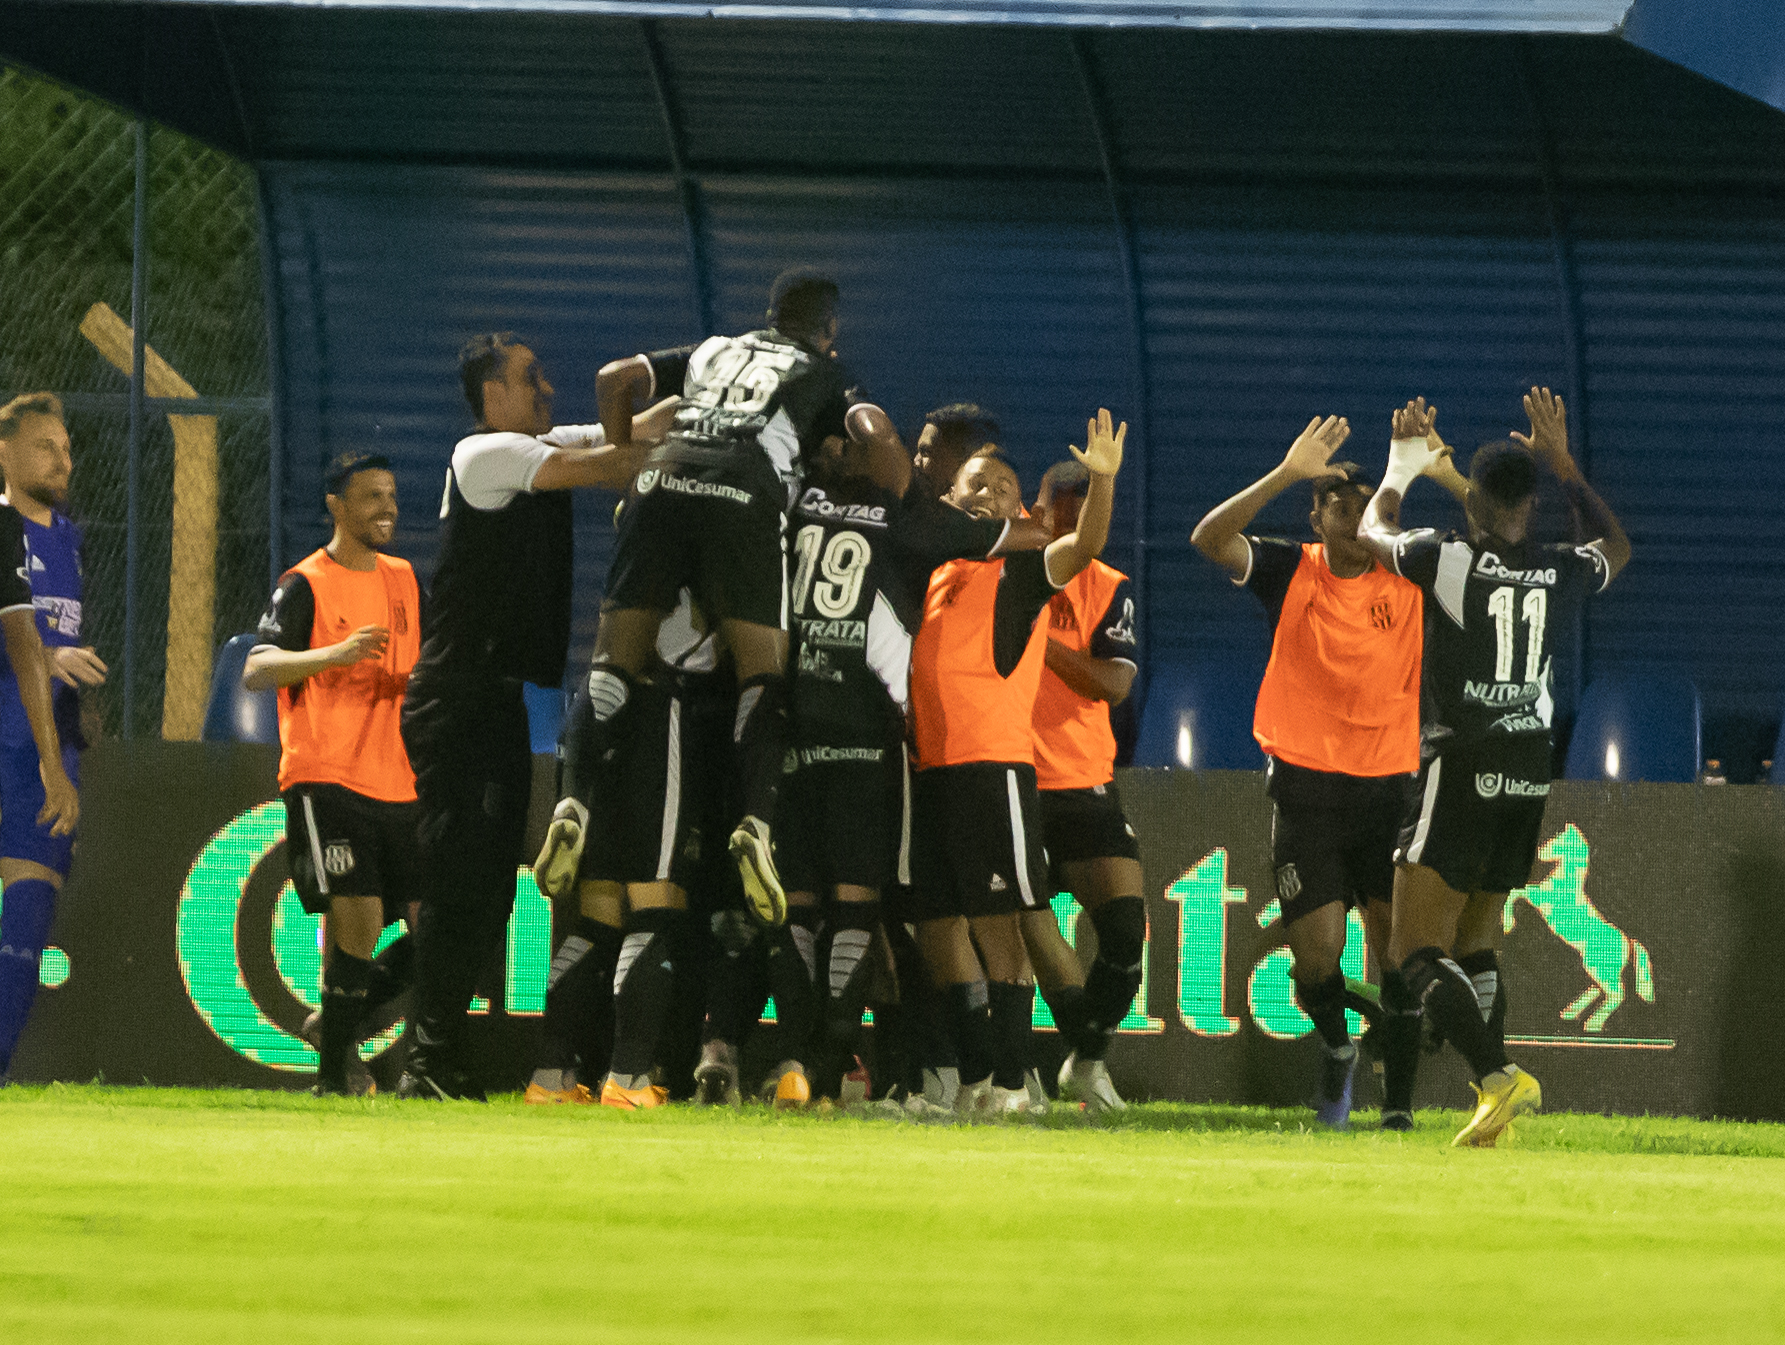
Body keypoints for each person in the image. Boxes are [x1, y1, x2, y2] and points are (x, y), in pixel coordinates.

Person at [534, 271, 891, 932]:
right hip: (744, 491)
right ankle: (756, 824)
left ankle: (572, 802)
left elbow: (615, 377)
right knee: (764, 673)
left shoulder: (714, 348)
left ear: (769, 311)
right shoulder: (823, 371)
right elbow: (868, 441)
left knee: (611, 663)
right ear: (829, 330)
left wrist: (625, 454)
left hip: (662, 475)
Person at [397, 333, 668, 1101]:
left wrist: (709, 382)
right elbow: (619, 461)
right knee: (461, 883)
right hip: (455, 698)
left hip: (494, 698)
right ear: (492, 397)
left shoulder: (533, 444)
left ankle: (428, 1046)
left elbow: (641, 430)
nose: (548, 389)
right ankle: (425, 1058)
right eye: (530, 378)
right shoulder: (483, 456)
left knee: (493, 887)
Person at [1357, 388, 1630, 1147]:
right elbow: (1616, 546)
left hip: (1461, 760)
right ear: (1532, 502)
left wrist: (1399, 465)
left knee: (1410, 951)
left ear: (1471, 500)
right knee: (1475, 942)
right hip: (1526, 769)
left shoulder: (1448, 558)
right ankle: (1494, 1108)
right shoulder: (1556, 569)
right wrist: (1566, 464)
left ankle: (1496, 1077)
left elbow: (1372, 529)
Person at [1191, 414, 1462, 1129]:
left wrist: (1440, 474)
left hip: (1389, 789)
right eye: (1335, 506)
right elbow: (1207, 539)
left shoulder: (1407, 578)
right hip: (1306, 789)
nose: (1349, 517)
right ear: (1314, 515)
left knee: (1396, 955)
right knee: (1317, 958)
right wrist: (1284, 472)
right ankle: (1338, 1044)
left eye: (1361, 507)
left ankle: (1397, 1112)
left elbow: (1500, 545)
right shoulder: (1291, 571)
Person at [764, 419, 1018, 1109]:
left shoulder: (789, 506)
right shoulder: (910, 520)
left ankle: (796, 1057)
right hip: (871, 739)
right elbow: (1020, 541)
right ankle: (829, 1065)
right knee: (858, 909)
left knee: (797, 907)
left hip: (788, 731)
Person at [908, 411, 1125, 1116]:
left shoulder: (1023, 570)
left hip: (993, 768)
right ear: (949, 494)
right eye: (976, 482)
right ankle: (974, 1079)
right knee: (938, 927)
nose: (988, 495)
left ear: (1018, 509)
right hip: (930, 769)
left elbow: (1085, 543)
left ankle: (1010, 1082)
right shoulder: (932, 567)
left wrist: (1102, 479)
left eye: (1003, 488)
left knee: (1000, 930)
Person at [244, 451, 422, 1096]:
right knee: (359, 920)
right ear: (336, 506)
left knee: (440, 928)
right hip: (327, 774)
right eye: (371, 495)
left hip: (399, 778)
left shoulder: (404, 577)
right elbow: (256, 668)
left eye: (392, 494)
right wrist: (335, 653)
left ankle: (336, 1025)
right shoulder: (305, 583)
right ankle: (332, 1078)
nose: (387, 508)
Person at [1027, 459, 1143, 1117]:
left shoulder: (1107, 584)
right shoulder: (1006, 563)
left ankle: (1085, 1060)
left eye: (1080, 515)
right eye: (1055, 511)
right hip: (1007, 775)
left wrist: (1045, 645)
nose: (1064, 526)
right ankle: (1006, 1077)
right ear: (1034, 508)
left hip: (1083, 779)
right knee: (1017, 942)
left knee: (1126, 930)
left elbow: (1115, 683)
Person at [0, 393, 86, 1084]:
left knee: (27, 924)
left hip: (44, 751)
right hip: (10, 740)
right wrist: (52, 661)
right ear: (4, 452)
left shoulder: (67, 539)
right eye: (44, 447)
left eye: (66, 447)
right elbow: (27, 645)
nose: (62, 459)